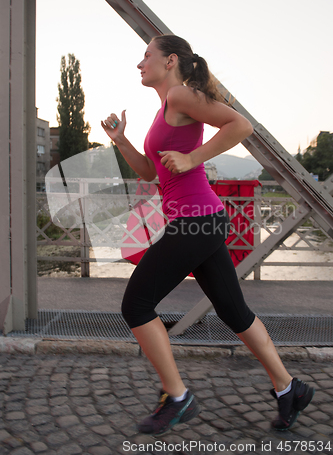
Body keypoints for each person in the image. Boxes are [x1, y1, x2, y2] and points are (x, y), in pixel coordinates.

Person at [101, 34, 314, 436]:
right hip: (202, 220)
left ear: (170, 61)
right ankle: (290, 389)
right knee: (234, 313)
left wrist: (193, 157)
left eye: (147, 55)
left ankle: (177, 398)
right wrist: (122, 141)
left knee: (137, 304)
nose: (139, 63)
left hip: (196, 221)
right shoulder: (166, 106)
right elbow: (151, 173)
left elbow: (241, 124)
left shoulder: (180, 95)